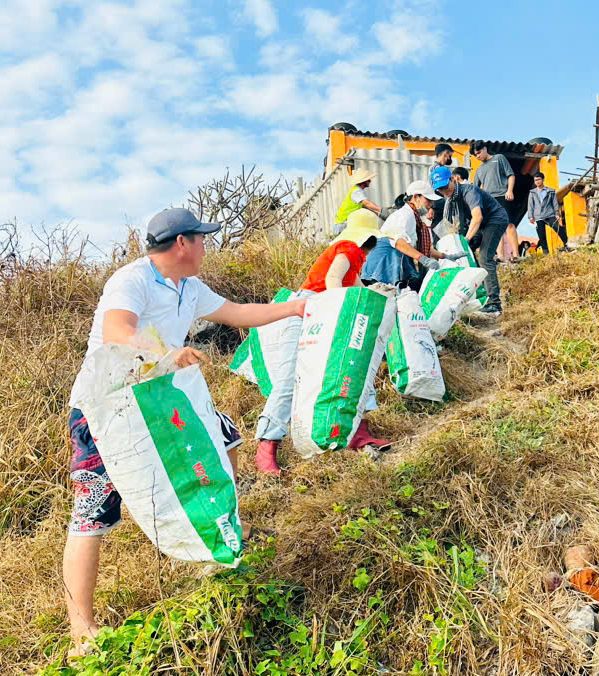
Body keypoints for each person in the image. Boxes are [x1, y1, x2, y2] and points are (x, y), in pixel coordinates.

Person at [63, 208, 308, 657]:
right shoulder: (132, 279)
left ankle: (224, 522)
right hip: (108, 408)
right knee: (93, 511)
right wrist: (167, 352)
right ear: (182, 243)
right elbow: (119, 331)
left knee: (227, 437)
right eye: (202, 238)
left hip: (161, 398)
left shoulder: (188, 286)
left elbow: (237, 313)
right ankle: (82, 626)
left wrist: (292, 307)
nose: (206, 246)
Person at [255, 209, 388, 475]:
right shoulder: (349, 248)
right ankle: (266, 447)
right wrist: (344, 310)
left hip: (322, 308)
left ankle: (357, 433)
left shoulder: (355, 257)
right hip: (308, 310)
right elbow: (332, 280)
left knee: (355, 367)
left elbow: (357, 288)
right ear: (369, 239)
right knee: (291, 377)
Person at [431, 166, 507, 318]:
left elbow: (477, 217)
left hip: (495, 219)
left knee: (485, 257)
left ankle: (494, 303)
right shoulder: (451, 200)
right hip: (481, 224)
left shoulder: (468, 191)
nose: (444, 192)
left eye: (446, 187)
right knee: (465, 255)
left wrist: (465, 240)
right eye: (440, 190)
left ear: (453, 179)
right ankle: (479, 295)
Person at [362, 180, 464, 291]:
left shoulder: (414, 218)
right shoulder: (405, 214)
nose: (431, 204)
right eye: (428, 200)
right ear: (416, 197)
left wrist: (446, 256)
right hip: (384, 262)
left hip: (393, 259)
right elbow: (399, 242)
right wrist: (423, 259)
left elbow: (417, 247)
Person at [472, 142, 518, 261]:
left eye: (479, 152)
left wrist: (510, 190)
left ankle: (516, 256)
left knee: (509, 224)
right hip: (489, 201)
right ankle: (501, 257)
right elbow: (475, 189)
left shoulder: (499, 158)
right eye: (475, 155)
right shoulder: (478, 170)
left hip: (503, 195)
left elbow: (511, 175)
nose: (478, 156)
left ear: (485, 149)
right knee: (496, 227)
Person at [528, 172, 567, 253]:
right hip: (538, 216)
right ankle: (546, 253)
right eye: (535, 180)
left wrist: (556, 214)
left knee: (559, 229)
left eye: (539, 179)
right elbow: (530, 205)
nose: (537, 182)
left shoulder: (551, 191)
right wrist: (530, 216)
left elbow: (555, 203)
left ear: (543, 179)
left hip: (550, 214)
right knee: (542, 236)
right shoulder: (532, 192)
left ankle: (567, 244)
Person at [334, 168, 381, 235]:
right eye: (368, 180)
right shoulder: (356, 191)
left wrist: (378, 214)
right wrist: (381, 209)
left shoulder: (357, 191)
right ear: (364, 181)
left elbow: (365, 207)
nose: (370, 181)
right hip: (343, 224)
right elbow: (366, 203)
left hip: (343, 223)